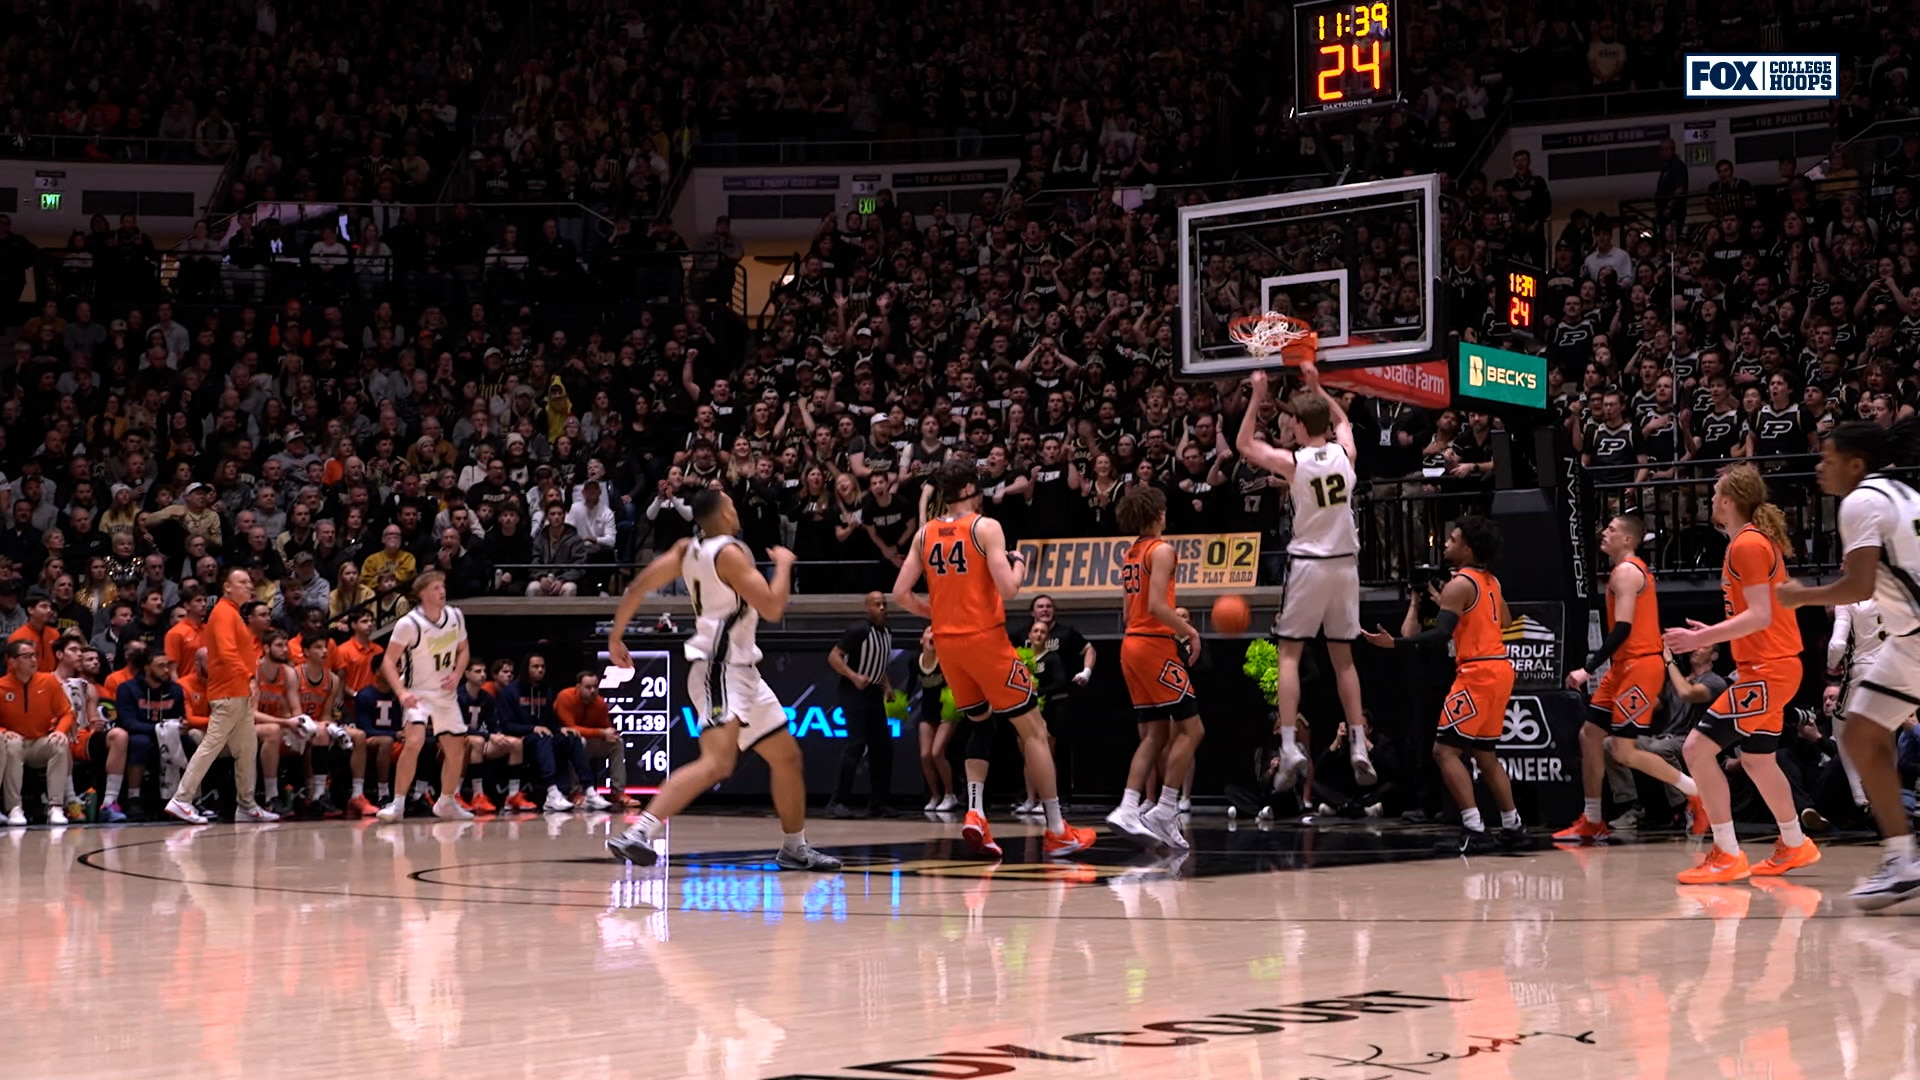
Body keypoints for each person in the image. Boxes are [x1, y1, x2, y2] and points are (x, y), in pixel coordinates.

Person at [604, 489, 841, 871]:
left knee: (787, 758)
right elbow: (773, 607)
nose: (736, 508)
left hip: (743, 671)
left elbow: (637, 587)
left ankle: (794, 847)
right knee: (717, 762)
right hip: (718, 668)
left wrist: (616, 636)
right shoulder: (730, 552)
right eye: (732, 503)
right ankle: (639, 831)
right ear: (725, 513)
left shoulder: (686, 549)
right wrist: (783, 565)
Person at [891, 460, 1096, 858]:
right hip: (985, 640)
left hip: (949, 646)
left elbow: (900, 593)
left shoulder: (925, 533)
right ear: (969, 487)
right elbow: (1009, 590)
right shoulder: (986, 527)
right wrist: (1020, 566)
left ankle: (974, 813)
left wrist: (934, 614)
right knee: (1034, 730)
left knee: (979, 724)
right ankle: (1057, 829)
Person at [1778, 420, 1920, 908]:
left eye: (1827, 458)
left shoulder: (1861, 501)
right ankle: (1903, 862)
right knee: (1859, 732)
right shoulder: (1902, 491)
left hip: (1916, 636)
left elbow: (1858, 586)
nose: (1819, 467)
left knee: (1861, 732)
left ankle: (1902, 859)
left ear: (1856, 465)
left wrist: (1801, 597)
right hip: (1909, 639)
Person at [1662, 463, 1820, 883]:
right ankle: (1795, 843)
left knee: (1696, 749)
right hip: (1773, 667)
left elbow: (1761, 615)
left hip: (1767, 671)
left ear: (1729, 500)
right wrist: (1713, 633)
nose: (1711, 500)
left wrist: (1704, 638)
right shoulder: (1748, 542)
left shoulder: (1747, 545)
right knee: (1756, 759)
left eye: (1715, 494)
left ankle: (1727, 853)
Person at [1236, 362, 1373, 790]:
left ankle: (1292, 745)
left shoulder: (1294, 463)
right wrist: (1319, 387)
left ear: (1297, 425)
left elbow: (1244, 444)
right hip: (1346, 565)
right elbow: (1344, 420)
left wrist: (1258, 397)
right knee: (1344, 660)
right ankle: (1359, 744)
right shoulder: (1344, 454)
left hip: (1309, 564)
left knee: (1289, 655)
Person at [1363, 517, 1527, 853]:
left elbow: (1439, 636)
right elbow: (1506, 621)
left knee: (1444, 751)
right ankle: (1513, 826)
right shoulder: (1490, 581)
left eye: (1452, 540)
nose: (1446, 544)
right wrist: (1454, 610)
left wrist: (1393, 643)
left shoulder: (1459, 584)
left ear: (1468, 548)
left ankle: (1474, 827)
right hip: (1500, 670)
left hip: (1477, 672)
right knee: (1486, 755)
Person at [1556, 513, 1707, 842]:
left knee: (1624, 751)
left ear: (1628, 539)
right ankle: (1593, 818)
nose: (1604, 533)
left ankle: (1697, 794)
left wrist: (1587, 668)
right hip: (1624, 666)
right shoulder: (1624, 571)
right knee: (1590, 735)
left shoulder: (1626, 572)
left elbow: (1622, 628)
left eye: (1610, 529)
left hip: (1639, 667)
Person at [1104, 486, 1204, 850]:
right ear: (1157, 514)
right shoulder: (1161, 550)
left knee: (1156, 734)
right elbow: (1159, 607)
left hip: (1130, 644)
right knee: (1192, 731)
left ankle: (1129, 806)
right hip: (1152, 645)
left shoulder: (1131, 553)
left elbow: (1129, 611)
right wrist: (1191, 632)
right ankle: (1164, 808)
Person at [165, 567, 279, 824]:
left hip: (237, 693)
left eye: (250, 582)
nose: (249, 586)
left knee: (248, 748)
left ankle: (247, 805)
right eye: (242, 582)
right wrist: (249, 678)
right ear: (227, 587)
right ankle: (182, 799)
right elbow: (228, 653)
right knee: (211, 745)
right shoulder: (224, 613)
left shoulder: (232, 613)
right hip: (228, 693)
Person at [376, 571, 472, 822]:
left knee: (456, 749)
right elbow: (388, 662)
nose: (442, 591)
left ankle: (446, 801)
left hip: (445, 693)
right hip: (417, 692)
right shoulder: (408, 623)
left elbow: (464, 650)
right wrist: (401, 692)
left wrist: (458, 674)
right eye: (436, 587)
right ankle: (397, 803)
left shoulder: (455, 616)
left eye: (443, 586)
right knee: (415, 741)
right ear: (422, 593)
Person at [826, 591, 895, 819]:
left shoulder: (886, 633)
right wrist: (854, 676)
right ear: (867, 608)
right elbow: (834, 656)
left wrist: (886, 686)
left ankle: (878, 803)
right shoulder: (859, 630)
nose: (882, 608)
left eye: (884, 604)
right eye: (877, 604)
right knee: (855, 744)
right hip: (853, 691)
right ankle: (838, 801)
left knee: (882, 748)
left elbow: (879, 664)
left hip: (874, 692)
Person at [0, 638, 74, 825]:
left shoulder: (48, 681)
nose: (33, 660)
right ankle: (14, 808)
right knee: (12, 744)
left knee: (60, 743)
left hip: (39, 742)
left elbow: (66, 712)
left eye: (35, 655)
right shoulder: (1, 686)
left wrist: (59, 730)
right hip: (13, 743)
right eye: (27, 656)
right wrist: (3, 730)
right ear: (12, 661)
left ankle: (55, 807)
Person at [1823, 596, 1882, 813]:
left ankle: (1860, 797)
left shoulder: (1848, 599)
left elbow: (1837, 644)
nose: (1839, 566)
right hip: (1898, 670)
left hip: (1865, 670)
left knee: (1840, 726)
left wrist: (1831, 664)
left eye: (1844, 560)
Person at [112, 648, 183, 823]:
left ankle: (185, 797)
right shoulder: (127, 689)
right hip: (138, 734)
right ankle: (133, 798)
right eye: (160, 666)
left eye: (167, 665)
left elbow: (179, 717)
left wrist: (182, 725)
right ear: (147, 668)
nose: (166, 670)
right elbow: (128, 723)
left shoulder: (175, 690)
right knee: (141, 743)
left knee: (189, 741)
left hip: (166, 734)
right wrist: (159, 728)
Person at [294, 632, 345, 817]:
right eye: (318, 647)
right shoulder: (295, 674)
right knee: (318, 733)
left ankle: (324, 794)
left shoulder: (333, 679)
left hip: (317, 726)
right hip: (293, 724)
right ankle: (315, 793)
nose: (324, 651)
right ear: (305, 651)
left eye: (325, 647)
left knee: (353, 737)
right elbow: (292, 711)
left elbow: (326, 714)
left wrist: (328, 725)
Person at [555, 669, 622, 809]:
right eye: (588, 687)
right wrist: (601, 733)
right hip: (560, 742)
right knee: (577, 742)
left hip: (587, 742)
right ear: (578, 687)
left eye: (595, 687)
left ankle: (617, 792)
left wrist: (610, 734)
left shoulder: (600, 703)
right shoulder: (565, 697)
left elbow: (605, 728)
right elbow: (571, 728)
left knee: (617, 743)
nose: (592, 691)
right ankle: (575, 793)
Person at [913, 627, 958, 812]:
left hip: (947, 712)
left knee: (936, 753)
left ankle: (950, 794)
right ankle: (935, 795)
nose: (933, 635)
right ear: (921, 639)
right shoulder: (914, 662)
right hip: (928, 712)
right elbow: (910, 685)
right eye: (929, 632)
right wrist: (894, 698)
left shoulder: (946, 660)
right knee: (925, 756)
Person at [346, 669, 402, 817]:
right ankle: (383, 794)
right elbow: (365, 729)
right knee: (386, 742)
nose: (398, 670)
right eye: (393, 666)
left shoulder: (399, 695)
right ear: (377, 671)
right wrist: (394, 734)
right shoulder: (365, 695)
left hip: (395, 738)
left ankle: (418, 792)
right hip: (368, 740)